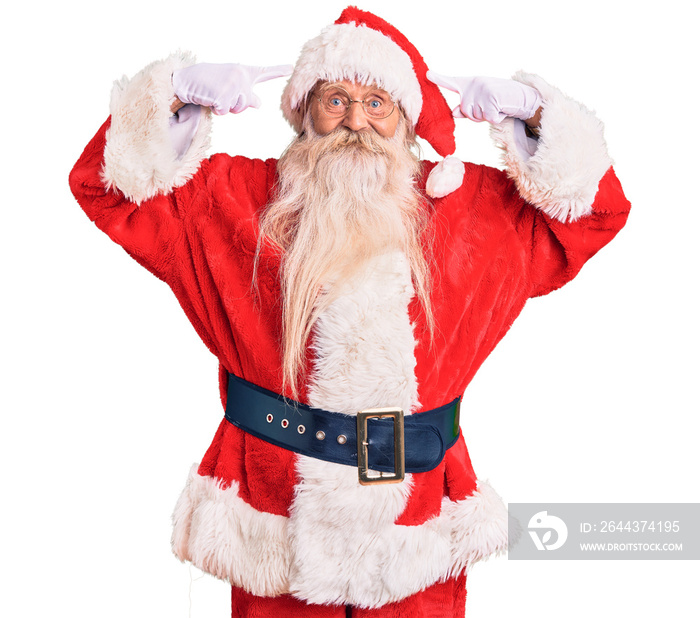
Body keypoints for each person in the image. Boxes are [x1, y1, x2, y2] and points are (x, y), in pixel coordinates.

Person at [69, 6, 631, 617]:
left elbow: (595, 212)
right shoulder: (231, 200)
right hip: (274, 525)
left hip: (417, 529)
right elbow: (108, 188)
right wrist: (171, 96)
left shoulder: (475, 211)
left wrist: (536, 116)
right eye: (335, 100)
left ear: (407, 121)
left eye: (378, 102)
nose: (356, 120)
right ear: (303, 113)